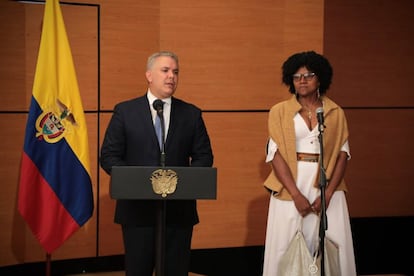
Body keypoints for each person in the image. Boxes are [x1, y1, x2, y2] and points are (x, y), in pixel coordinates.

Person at [100, 51, 214, 276]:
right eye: (165, 70)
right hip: (137, 212)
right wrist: (136, 181)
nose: (171, 76)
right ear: (149, 75)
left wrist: (184, 182)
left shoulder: (191, 114)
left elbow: (204, 157)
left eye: (175, 72)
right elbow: (109, 156)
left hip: (178, 213)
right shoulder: (125, 111)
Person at [262, 51, 357, 275]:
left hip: (328, 188)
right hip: (290, 187)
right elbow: (274, 155)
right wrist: (296, 194)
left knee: (332, 244)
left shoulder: (335, 112)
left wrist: (328, 194)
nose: (302, 80)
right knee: (286, 245)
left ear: (320, 78)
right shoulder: (279, 111)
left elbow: (343, 155)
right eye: (296, 77)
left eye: (308, 75)